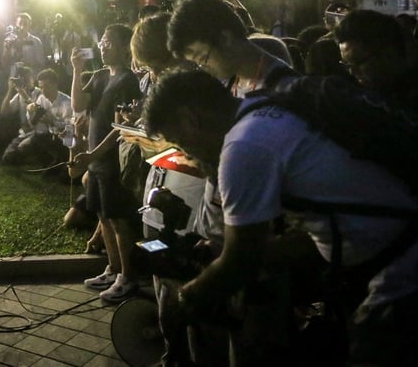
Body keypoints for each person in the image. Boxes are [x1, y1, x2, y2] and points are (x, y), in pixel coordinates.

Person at [143, 69, 418, 366]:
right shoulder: (264, 111)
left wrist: (189, 296)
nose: (185, 153)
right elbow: (306, 236)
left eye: (178, 140)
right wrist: (219, 252)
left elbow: (241, 262)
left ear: (190, 119)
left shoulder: (242, 148)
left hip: (401, 272)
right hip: (392, 255)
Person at [69, 24, 143, 303]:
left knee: (119, 220)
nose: (102, 45)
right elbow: (78, 104)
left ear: (125, 47)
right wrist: (76, 70)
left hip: (112, 161)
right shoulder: (99, 76)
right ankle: (112, 269)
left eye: (109, 41)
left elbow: (120, 127)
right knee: (102, 216)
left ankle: (128, 276)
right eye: (101, 39)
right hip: (95, 162)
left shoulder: (128, 81)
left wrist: (94, 153)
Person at [1, 68, 72, 169]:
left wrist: (52, 122)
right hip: (44, 135)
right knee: (21, 148)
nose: (43, 91)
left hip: (62, 139)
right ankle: (46, 161)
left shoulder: (66, 102)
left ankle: (54, 161)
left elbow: (69, 128)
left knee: (58, 173)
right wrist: (30, 112)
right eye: (41, 87)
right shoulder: (42, 98)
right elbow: (33, 123)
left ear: (55, 84)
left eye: (46, 87)